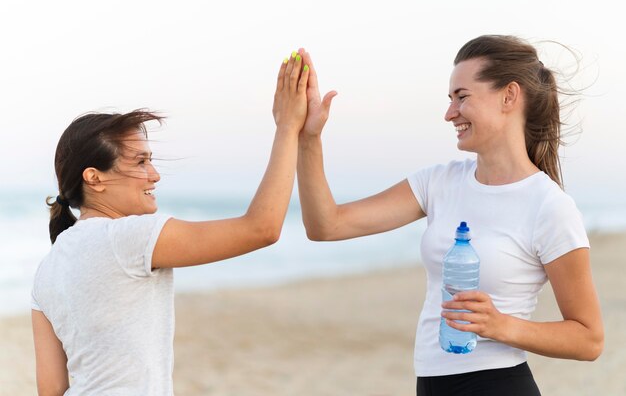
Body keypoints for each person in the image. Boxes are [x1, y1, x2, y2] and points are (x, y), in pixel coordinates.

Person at [297, 35, 604, 395]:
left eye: (462, 97)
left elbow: (589, 339)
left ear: (509, 96)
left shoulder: (549, 206)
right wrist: (308, 138)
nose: (449, 113)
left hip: (497, 384)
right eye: (450, 99)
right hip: (430, 383)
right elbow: (326, 226)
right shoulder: (438, 183)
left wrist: (501, 325)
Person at [31, 50, 310, 395]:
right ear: (95, 178)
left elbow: (51, 388)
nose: (155, 174)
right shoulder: (127, 239)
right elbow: (262, 228)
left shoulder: (46, 270)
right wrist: (289, 127)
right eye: (141, 161)